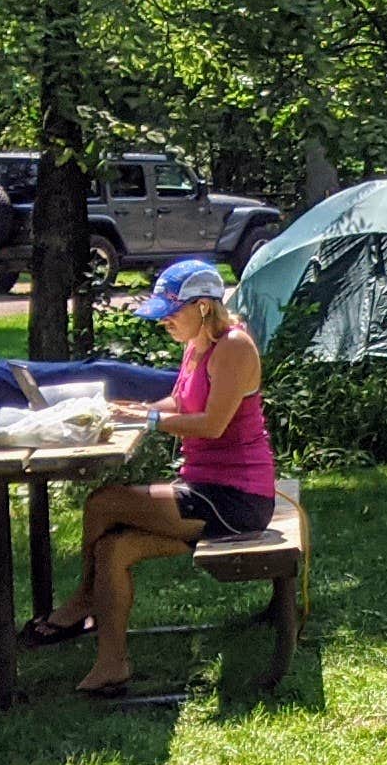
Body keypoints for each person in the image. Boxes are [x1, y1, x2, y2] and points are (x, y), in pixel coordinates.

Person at [29, 258, 276, 695]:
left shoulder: (234, 347)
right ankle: (112, 665)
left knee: (103, 502)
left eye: (170, 311)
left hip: (236, 498)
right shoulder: (196, 346)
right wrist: (133, 411)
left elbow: (212, 424)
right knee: (112, 548)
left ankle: (82, 599)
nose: (163, 320)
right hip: (202, 487)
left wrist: (150, 424)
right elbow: (181, 403)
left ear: (203, 306)